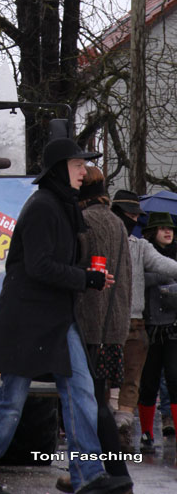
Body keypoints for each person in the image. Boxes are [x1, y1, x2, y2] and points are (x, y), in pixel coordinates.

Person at [0, 138, 132, 494]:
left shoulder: (61, 204)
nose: (85, 172)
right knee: (11, 401)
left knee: (82, 392)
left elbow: (56, 263)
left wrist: (91, 276)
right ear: (59, 169)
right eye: (78, 165)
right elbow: (38, 267)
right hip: (28, 320)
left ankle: (87, 475)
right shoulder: (42, 205)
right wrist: (86, 278)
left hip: (54, 318)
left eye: (84, 166)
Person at [56, 166, 132, 494]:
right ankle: (91, 473)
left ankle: (114, 473)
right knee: (94, 400)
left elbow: (78, 274)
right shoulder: (117, 222)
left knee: (90, 404)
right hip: (112, 325)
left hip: (88, 326)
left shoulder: (85, 222)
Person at [110, 190, 177, 450]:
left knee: (133, 381)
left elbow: (164, 266)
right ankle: (107, 432)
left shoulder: (140, 247)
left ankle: (123, 432)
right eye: (132, 214)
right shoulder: (104, 239)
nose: (135, 219)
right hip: (109, 323)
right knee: (111, 381)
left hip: (137, 323)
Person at [137, 211, 177, 453]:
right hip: (149, 328)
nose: (168, 231)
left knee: (175, 379)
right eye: (162, 228)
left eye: (170, 228)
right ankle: (146, 433)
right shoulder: (144, 254)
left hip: (173, 328)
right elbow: (141, 279)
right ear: (152, 232)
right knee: (149, 383)